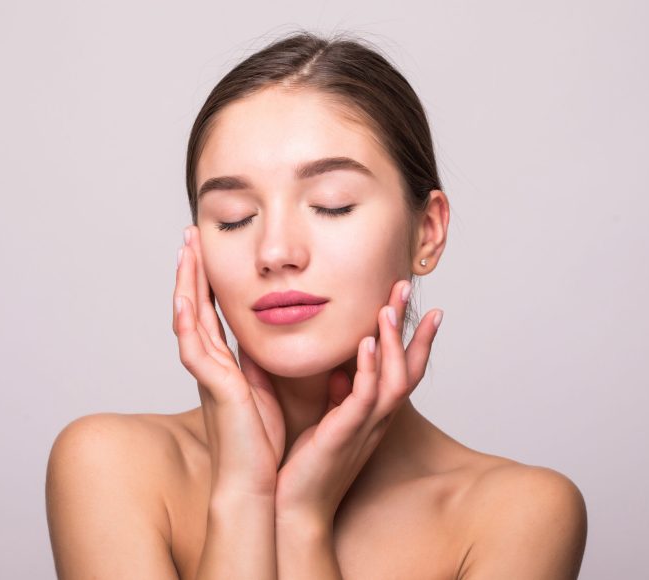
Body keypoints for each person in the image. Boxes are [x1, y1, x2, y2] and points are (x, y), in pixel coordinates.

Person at [45, 30, 588, 579]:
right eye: (234, 216)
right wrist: (242, 495)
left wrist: (301, 520)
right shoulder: (110, 465)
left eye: (333, 205)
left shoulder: (519, 514)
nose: (276, 252)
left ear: (427, 231)